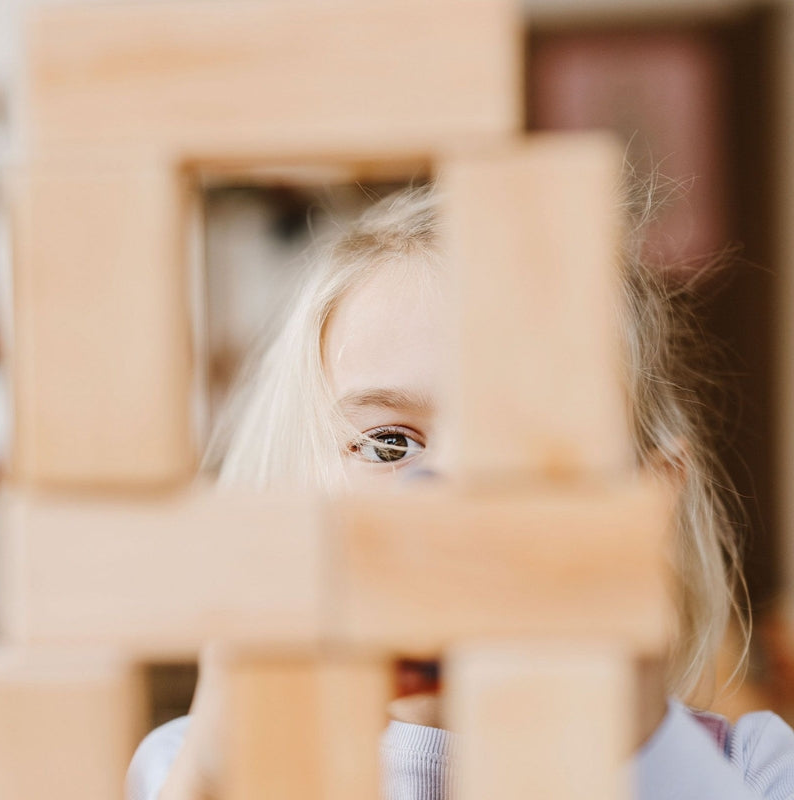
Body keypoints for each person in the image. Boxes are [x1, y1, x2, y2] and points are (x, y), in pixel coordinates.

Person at [127, 185, 794, 800]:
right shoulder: (200, 764)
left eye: (519, 449)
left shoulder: (748, 768)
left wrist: (640, 738)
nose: (444, 497)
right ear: (297, 498)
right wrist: (216, 770)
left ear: (649, 509)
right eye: (389, 445)